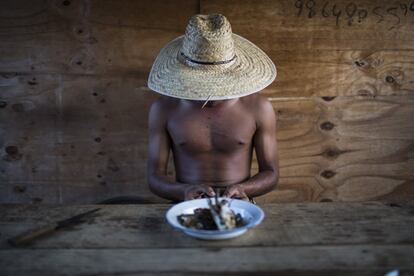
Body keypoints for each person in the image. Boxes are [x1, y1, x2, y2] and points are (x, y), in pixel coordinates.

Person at [147, 14, 279, 202]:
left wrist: (244, 188)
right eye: (203, 82)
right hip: (184, 204)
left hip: (240, 204)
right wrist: (183, 191)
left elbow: (271, 173)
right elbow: (154, 178)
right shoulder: (164, 109)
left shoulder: (259, 108)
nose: (211, 93)